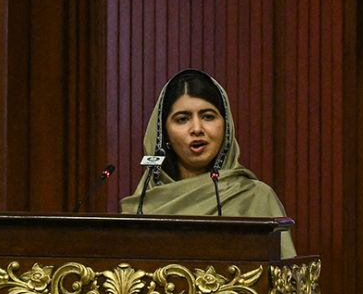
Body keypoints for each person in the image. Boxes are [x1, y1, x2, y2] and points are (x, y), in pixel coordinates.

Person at [121, 69, 295, 258]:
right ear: (165, 134)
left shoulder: (255, 198)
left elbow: (285, 281)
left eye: (208, 116)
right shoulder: (143, 205)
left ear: (226, 126)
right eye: (182, 119)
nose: (197, 129)